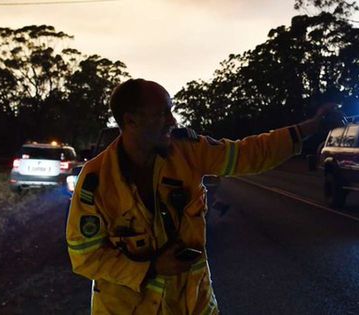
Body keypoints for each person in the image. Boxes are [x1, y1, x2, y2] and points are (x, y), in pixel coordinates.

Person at [65, 78, 343, 315]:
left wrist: (310, 127)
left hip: (193, 305)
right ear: (130, 121)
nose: (172, 121)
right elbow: (85, 257)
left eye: (171, 111)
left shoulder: (188, 151)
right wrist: (150, 268)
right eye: (163, 113)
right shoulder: (96, 180)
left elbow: (250, 153)